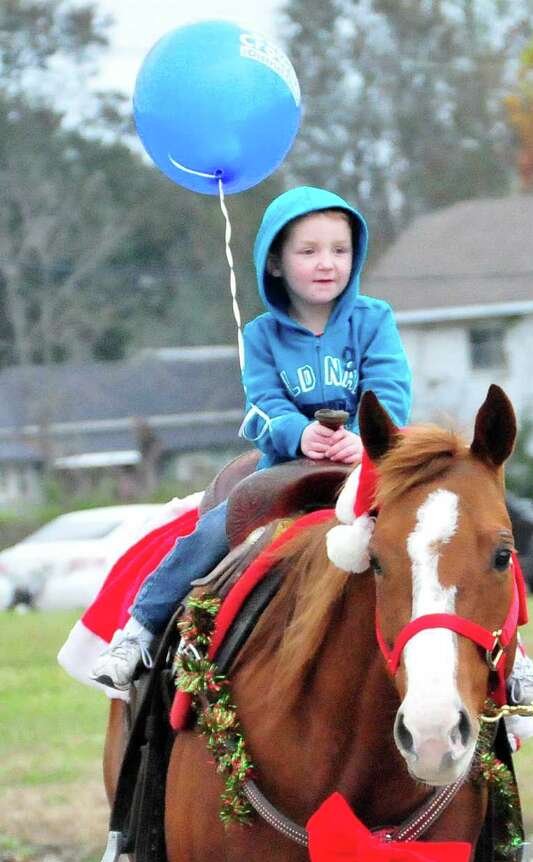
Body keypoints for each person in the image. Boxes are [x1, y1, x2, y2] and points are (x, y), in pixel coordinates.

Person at [91, 185, 413, 689]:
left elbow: (390, 391)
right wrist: (298, 433)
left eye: (340, 250)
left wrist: (361, 437)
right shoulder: (260, 336)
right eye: (308, 251)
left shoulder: (375, 320)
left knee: (447, 533)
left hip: (364, 465)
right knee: (212, 531)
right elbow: (261, 406)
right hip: (285, 470)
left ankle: (514, 662)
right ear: (277, 263)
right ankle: (138, 630)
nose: (327, 262)